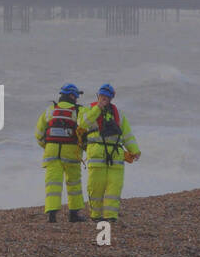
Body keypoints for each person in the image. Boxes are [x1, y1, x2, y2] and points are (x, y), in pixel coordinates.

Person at [79, 84, 141, 223]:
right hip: (96, 156)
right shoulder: (88, 109)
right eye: (102, 96)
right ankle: (96, 216)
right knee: (96, 187)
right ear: (98, 95)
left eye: (107, 97)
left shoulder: (118, 113)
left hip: (116, 156)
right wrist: (98, 108)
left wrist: (134, 150)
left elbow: (127, 135)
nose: (104, 99)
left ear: (112, 98)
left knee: (114, 187)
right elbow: (83, 123)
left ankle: (111, 217)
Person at [35, 83, 85, 223]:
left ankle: (52, 216)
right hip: (71, 153)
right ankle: (74, 215)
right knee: (74, 183)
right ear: (72, 96)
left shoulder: (50, 110)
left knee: (52, 185)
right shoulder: (78, 111)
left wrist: (47, 146)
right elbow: (85, 129)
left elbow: (38, 133)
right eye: (76, 96)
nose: (77, 99)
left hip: (51, 153)